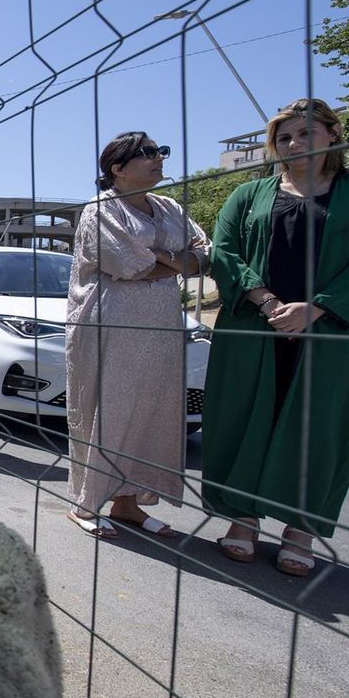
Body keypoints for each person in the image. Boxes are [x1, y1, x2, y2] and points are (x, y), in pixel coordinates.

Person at [203, 99, 349, 576]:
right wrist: (268, 303)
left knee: (320, 426)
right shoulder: (248, 196)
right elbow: (224, 252)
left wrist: (317, 308)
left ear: (333, 135)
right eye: (284, 137)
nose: (293, 144)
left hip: (330, 331)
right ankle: (243, 519)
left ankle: (299, 529)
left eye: (305, 133)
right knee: (243, 417)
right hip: (254, 326)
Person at [64, 132, 209, 539]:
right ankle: (84, 502)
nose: (159, 158)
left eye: (161, 151)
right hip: (109, 326)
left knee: (152, 413)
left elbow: (205, 250)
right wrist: (174, 260)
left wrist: (161, 258)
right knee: (106, 411)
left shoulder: (168, 207)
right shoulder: (101, 209)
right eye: (148, 153)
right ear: (118, 168)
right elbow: (127, 264)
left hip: (160, 325)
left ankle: (128, 504)